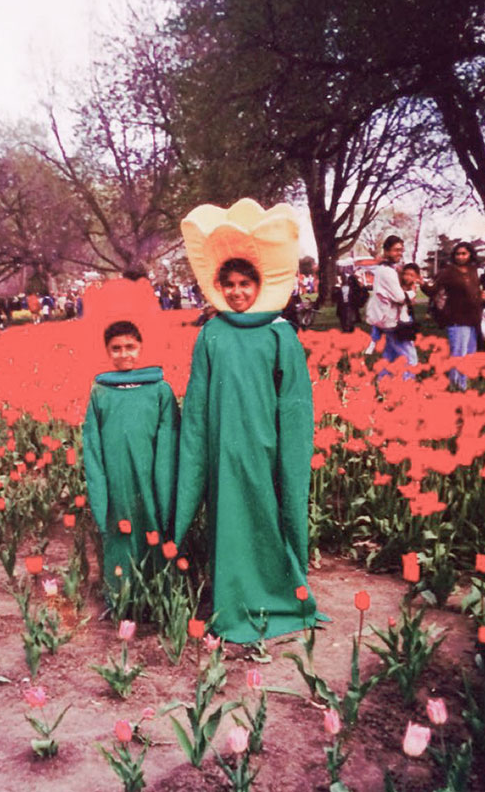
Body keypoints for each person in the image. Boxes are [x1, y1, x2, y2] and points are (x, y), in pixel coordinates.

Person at [176, 197, 324, 644]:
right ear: (218, 286)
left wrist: (286, 451)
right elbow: (199, 402)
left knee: (267, 516)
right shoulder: (211, 335)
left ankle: (277, 590)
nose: (238, 291)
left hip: (266, 447)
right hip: (224, 449)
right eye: (230, 283)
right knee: (229, 522)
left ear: (261, 284)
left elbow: (296, 406)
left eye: (246, 283)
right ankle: (233, 598)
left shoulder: (281, 335)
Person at [83, 319, 180, 591]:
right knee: (121, 528)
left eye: (130, 347)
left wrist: (163, 481)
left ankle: (159, 592)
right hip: (117, 477)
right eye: (116, 348)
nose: (124, 354)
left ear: (141, 348)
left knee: (153, 525)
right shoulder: (100, 392)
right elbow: (92, 443)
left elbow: (169, 438)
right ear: (107, 351)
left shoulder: (160, 389)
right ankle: (124, 595)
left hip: (151, 474)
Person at [421, 241, 485, 390]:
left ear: (470, 255)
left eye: (464, 253)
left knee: (469, 356)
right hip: (457, 319)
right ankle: (455, 387)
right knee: (458, 356)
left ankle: (464, 387)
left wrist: (483, 296)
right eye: (458, 254)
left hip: (474, 319)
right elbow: (433, 291)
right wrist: (422, 284)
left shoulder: (473, 271)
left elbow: (475, 291)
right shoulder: (448, 272)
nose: (460, 257)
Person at [365, 236, 418, 376]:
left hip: (387, 320)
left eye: (401, 250)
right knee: (411, 359)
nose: (399, 253)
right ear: (386, 251)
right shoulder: (387, 272)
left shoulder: (384, 269)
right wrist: (412, 293)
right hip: (394, 322)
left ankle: (382, 386)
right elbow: (400, 297)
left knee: (390, 357)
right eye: (396, 250)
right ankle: (408, 390)